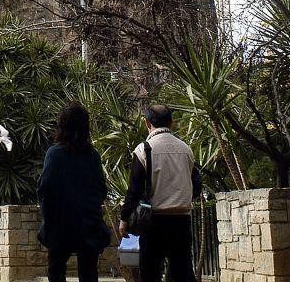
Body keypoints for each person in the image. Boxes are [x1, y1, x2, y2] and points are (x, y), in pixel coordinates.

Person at [119, 104, 202, 282]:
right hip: (181, 220)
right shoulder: (186, 149)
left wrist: (124, 218)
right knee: (183, 272)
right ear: (171, 123)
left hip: (153, 221)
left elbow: (134, 189)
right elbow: (196, 183)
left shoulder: (144, 150)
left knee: (150, 273)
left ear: (146, 122)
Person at [37, 103, 110, 282]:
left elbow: (45, 189)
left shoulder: (54, 154)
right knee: (89, 273)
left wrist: (49, 220)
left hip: (60, 225)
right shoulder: (93, 155)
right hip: (88, 224)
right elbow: (101, 188)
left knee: (56, 272)